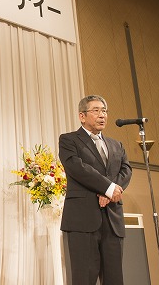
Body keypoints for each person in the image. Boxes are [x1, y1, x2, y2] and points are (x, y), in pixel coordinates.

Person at [59, 95, 132, 285]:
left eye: (104, 111)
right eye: (96, 110)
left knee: (115, 279)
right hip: (83, 220)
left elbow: (126, 170)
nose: (102, 115)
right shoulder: (68, 140)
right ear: (82, 116)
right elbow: (77, 168)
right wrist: (107, 188)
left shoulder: (117, 145)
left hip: (112, 219)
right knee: (84, 278)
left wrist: (110, 192)